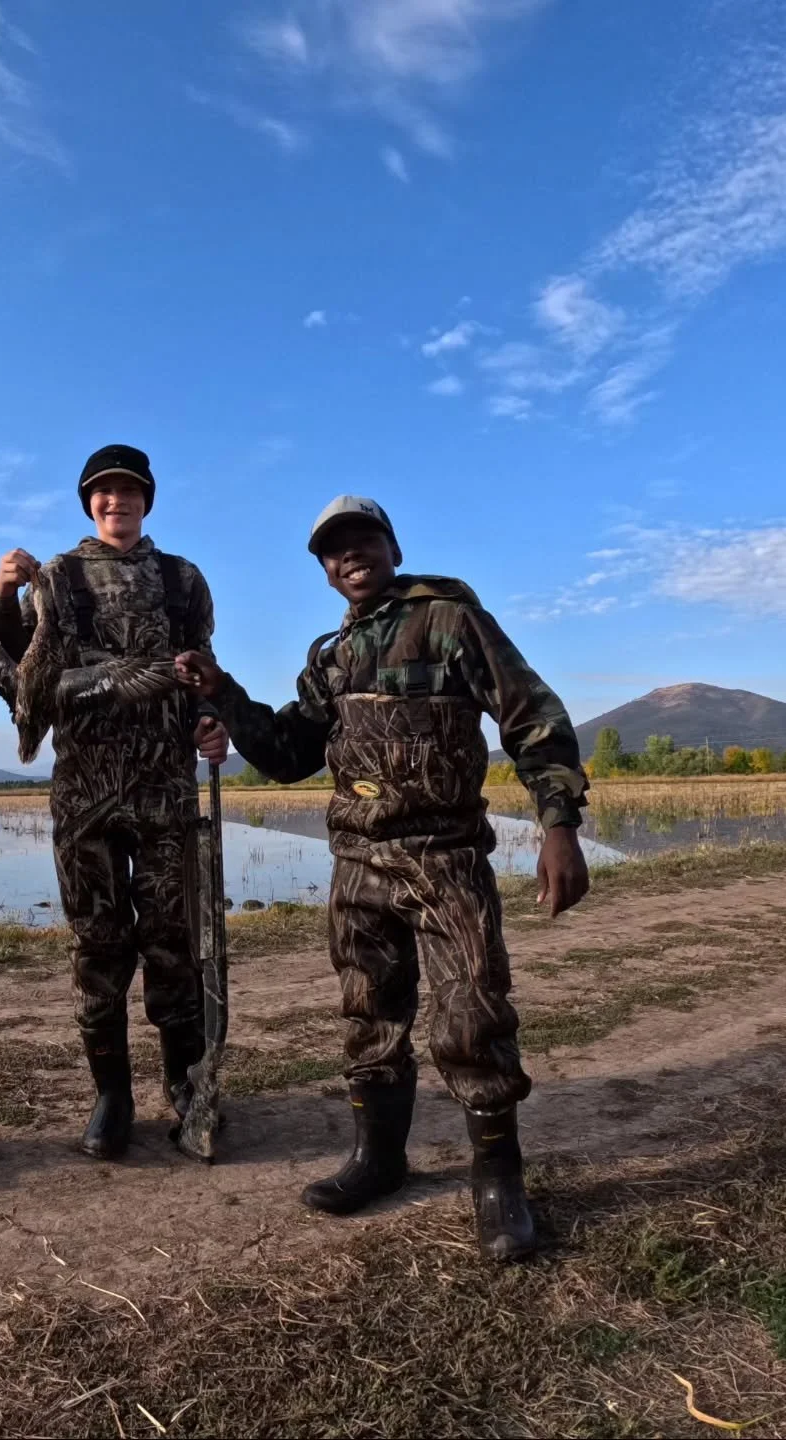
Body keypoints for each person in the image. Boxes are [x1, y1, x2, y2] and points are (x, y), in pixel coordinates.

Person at [175, 495, 589, 1261]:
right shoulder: (328, 657)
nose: (350, 554)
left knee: (473, 1015)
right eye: (333, 549)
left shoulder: (448, 619)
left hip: (445, 858)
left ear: (391, 546)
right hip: (357, 865)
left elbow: (530, 713)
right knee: (369, 1014)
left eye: (363, 539)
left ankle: (499, 1182)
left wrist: (558, 823)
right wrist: (223, 693)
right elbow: (289, 753)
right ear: (326, 572)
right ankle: (379, 1158)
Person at [0, 444, 229, 1159]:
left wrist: (210, 720)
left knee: (172, 940)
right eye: (102, 492)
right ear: (88, 503)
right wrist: (3, 598)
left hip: (164, 790)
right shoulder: (58, 576)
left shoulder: (183, 579)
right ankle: (111, 1094)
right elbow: (24, 667)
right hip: (85, 794)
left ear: (146, 500)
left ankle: (186, 1085)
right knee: (98, 944)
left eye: (127, 491)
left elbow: (202, 672)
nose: (114, 501)